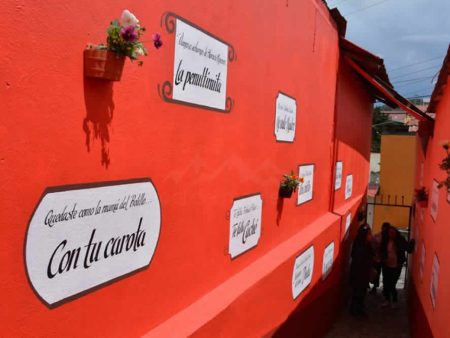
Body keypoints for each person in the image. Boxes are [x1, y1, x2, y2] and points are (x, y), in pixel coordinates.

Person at [380, 225, 415, 308]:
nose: (391, 234)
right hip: (386, 266)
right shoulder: (385, 241)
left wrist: (412, 242)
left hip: (396, 266)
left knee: (392, 284)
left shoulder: (400, 240)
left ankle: (394, 301)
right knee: (386, 283)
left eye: (393, 232)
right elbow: (381, 250)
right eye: (389, 233)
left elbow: (408, 248)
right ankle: (387, 300)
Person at [349, 224, 373, 317]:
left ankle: (358, 310)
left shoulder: (366, 246)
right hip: (359, 276)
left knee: (360, 294)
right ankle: (356, 312)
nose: (371, 236)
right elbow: (360, 263)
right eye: (369, 234)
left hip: (362, 275)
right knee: (357, 294)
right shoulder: (360, 248)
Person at [369, 222, 390, 294]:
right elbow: (373, 245)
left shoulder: (384, 237)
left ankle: (380, 288)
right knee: (378, 273)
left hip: (383, 259)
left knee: (384, 274)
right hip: (379, 258)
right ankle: (376, 287)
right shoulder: (379, 236)